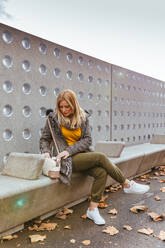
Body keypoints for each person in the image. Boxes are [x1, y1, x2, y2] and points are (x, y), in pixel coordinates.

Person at [40, 89, 149, 225]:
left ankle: (92, 210)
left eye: (67, 106)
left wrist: (70, 150)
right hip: (64, 159)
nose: (64, 110)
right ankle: (127, 184)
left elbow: (87, 140)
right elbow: (44, 139)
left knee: (101, 172)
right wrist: (46, 152)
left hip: (81, 155)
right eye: (61, 106)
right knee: (101, 157)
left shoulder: (82, 117)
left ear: (73, 104)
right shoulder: (53, 119)